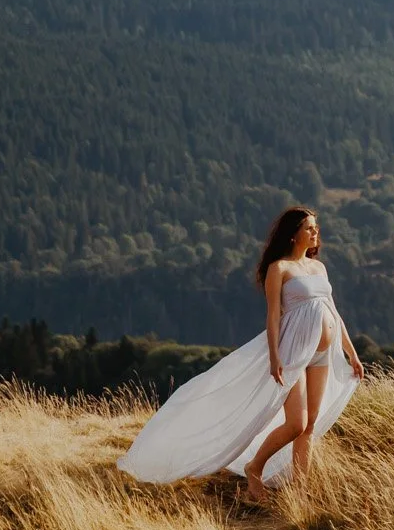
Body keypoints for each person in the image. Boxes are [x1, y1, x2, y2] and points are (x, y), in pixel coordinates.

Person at [117, 206, 364, 499]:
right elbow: (273, 316)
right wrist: (275, 357)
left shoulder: (318, 267)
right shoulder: (280, 268)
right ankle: (254, 467)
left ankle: (300, 492)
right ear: (293, 234)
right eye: (309, 227)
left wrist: (351, 353)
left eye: (316, 227)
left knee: (310, 425)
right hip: (294, 352)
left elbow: (334, 313)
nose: (315, 232)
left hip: (323, 353)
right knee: (296, 424)